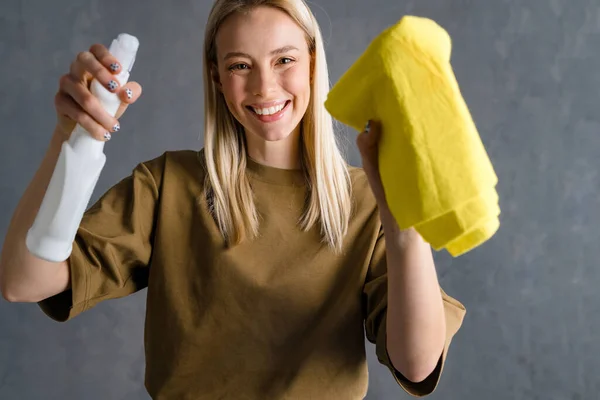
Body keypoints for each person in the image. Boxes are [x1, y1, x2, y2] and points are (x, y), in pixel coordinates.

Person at [0, 0, 466, 398]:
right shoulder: (169, 186)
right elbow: (24, 281)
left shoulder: (368, 202)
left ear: (312, 60)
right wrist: (72, 137)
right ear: (218, 78)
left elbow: (417, 364)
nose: (264, 87)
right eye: (240, 65)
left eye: (284, 60)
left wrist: (405, 226)